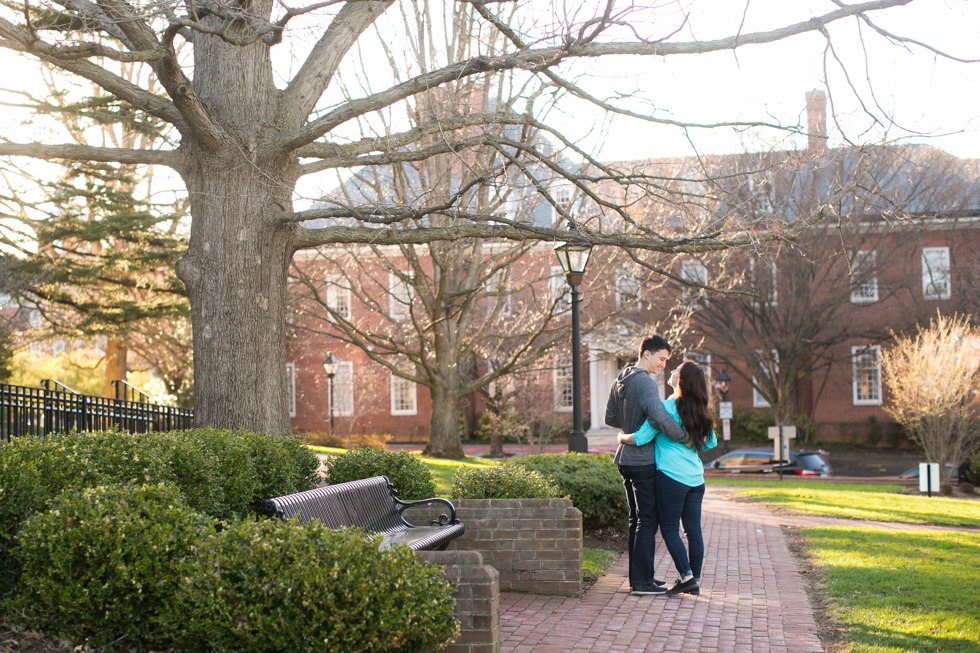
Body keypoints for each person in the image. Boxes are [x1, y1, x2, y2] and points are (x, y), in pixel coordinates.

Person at [619, 360, 716, 597]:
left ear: (681, 381)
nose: (671, 372)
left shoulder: (665, 408)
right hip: (696, 479)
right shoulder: (702, 410)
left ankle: (686, 576)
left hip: (671, 478)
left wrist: (621, 437)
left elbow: (640, 438)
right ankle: (696, 578)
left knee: (670, 529)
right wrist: (691, 440)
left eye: (676, 370)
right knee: (693, 531)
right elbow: (710, 443)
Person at [605, 335, 689, 596]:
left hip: (624, 458)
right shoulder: (645, 383)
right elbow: (660, 417)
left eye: (667, 360)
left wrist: (630, 426)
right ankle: (642, 582)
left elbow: (610, 418)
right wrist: (685, 437)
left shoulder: (621, 379)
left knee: (636, 520)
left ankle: (639, 579)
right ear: (646, 354)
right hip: (641, 460)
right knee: (647, 521)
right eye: (661, 358)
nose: (664, 364)